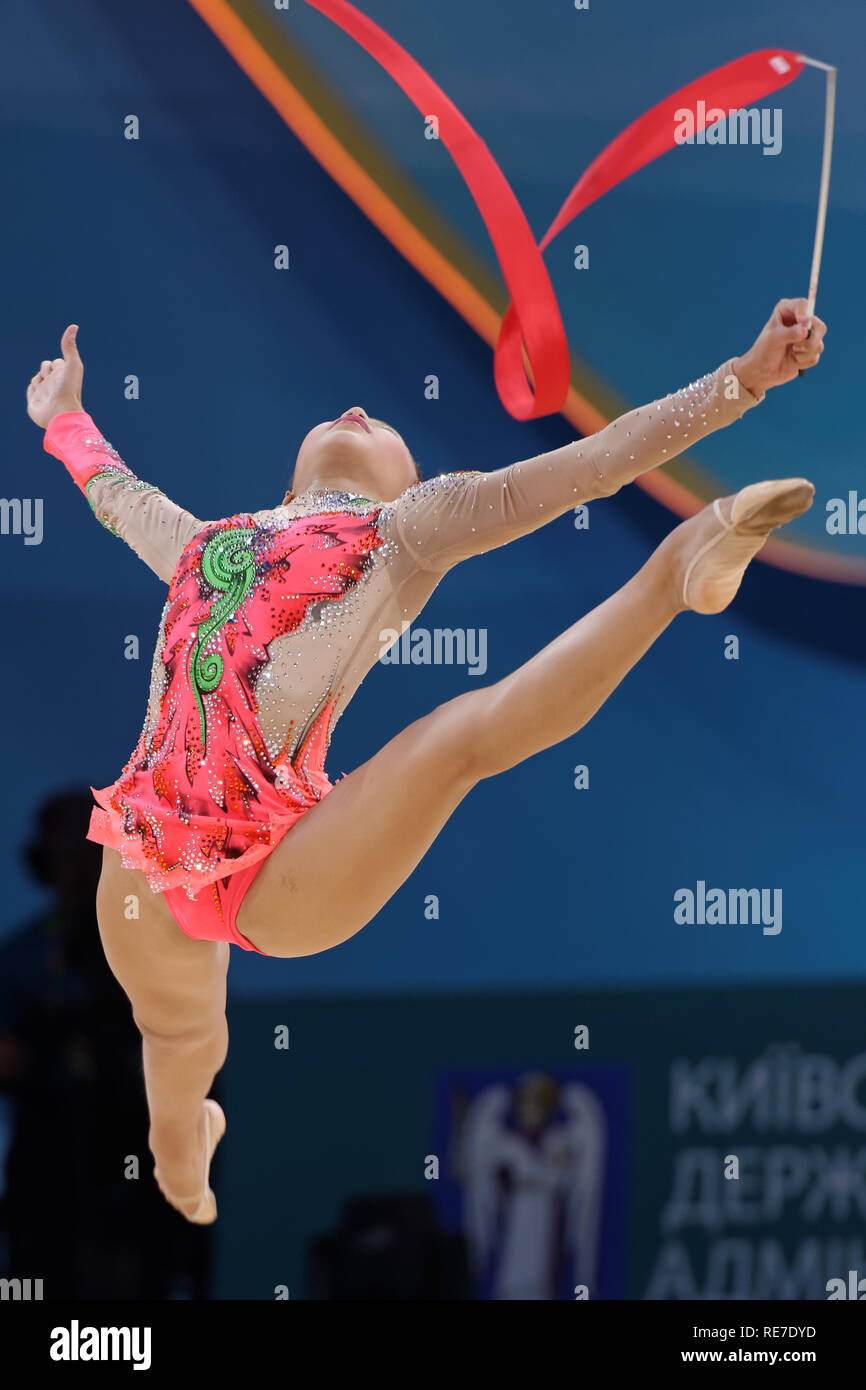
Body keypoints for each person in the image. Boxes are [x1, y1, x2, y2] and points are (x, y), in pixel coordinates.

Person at [26, 303, 825, 1222]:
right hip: (142, 860)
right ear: (290, 472)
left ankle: (679, 569)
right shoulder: (206, 545)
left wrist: (745, 379)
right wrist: (65, 421)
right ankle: (181, 1168)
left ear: (410, 477)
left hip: (283, 869)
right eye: (346, 415)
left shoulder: (409, 528)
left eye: (386, 427)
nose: (361, 409)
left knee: (455, 739)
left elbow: (594, 464)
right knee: (178, 1036)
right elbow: (113, 490)